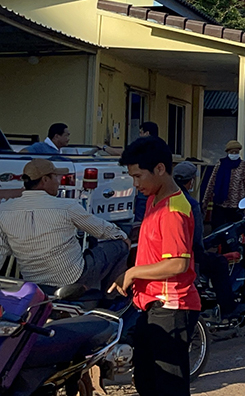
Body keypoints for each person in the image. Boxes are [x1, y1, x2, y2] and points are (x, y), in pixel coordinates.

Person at [110, 136, 200, 396]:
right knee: (147, 381)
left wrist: (134, 272)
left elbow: (178, 263)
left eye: (139, 176)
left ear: (160, 169)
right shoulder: (154, 199)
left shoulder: (173, 210)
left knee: (168, 386)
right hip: (151, 304)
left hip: (171, 307)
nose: (135, 184)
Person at [0, 158, 129, 291]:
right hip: (71, 278)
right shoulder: (66, 206)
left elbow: (1, 250)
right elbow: (101, 229)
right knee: (119, 244)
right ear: (45, 180)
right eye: (56, 177)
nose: (58, 182)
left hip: (32, 282)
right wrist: (122, 235)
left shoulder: (4, 210)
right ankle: (110, 297)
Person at [173, 162, 243, 320]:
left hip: (166, 253)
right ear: (190, 181)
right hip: (187, 255)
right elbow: (197, 237)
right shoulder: (190, 203)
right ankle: (227, 308)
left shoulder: (161, 198)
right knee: (219, 263)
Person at [203, 140, 245, 229]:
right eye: (232, 152)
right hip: (220, 203)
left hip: (237, 205)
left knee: (234, 231)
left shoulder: (244, 166)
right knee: (217, 229)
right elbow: (211, 183)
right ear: (227, 152)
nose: (234, 154)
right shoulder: (220, 164)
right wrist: (205, 202)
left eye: (236, 152)